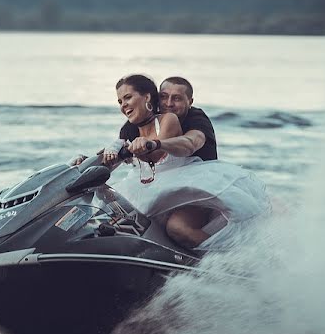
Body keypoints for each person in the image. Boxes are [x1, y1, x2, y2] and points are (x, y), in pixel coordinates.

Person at [83, 74, 268, 250]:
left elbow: (190, 143)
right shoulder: (134, 126)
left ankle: (228, 262)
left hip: (196, 189)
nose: (169, 104)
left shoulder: (195, 118)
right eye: (164, 97)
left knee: (178, 228)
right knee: (113, 220)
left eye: (177, 98)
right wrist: (85, 164)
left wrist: (154, 144)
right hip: (154, 189)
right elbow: (116, 156)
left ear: (190, 101)